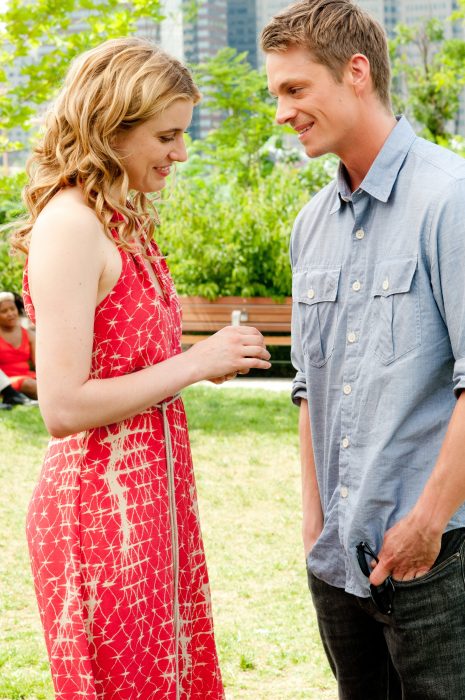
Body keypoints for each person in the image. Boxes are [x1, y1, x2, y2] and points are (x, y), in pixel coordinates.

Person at [11, 37, 271, 699]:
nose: (181, 154)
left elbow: (126, 363)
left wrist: (194, 365)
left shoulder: (121, 220)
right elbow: (62, 408)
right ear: (110, 127)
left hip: (152, 500)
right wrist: (192, 363)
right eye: (167, 135)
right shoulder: (70, 226)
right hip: (100, 513)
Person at [261, 1, 465, 697]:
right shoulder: (308, 226)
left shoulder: (450, 199)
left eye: (294, 89)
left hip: (438, 559)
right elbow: (307, 389)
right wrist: (315, 528)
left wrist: (425, 525)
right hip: (336, 564)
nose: (281, 112)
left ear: (354, 73)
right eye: (274, 95)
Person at [0, 291, 38, 399]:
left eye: (12, 309)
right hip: (6, 382)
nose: (10, 313)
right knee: (30, 384)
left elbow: (38, 364)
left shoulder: (29, 335)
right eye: (4, 311)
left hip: (28, 377)